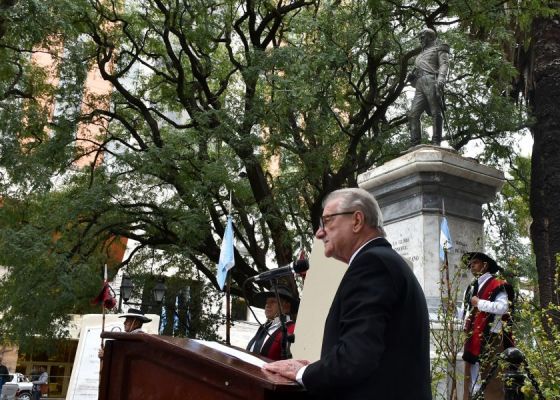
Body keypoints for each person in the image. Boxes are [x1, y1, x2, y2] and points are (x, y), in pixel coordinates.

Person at [263, 188, 432, 400]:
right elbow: (372, 352)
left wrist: (302, 373)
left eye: (327, 221)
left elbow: (356, 358)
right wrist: (318, 367)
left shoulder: (372, 264)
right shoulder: (381, 261)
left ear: (357, 220)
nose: (319, 232)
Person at [462, 252, 514, 400]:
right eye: (470, 264)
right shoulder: (471, 287)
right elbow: (466, 312)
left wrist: (479, 303)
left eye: (475, 262)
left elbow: (503, 308)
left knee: (492, 379)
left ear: (485, 265)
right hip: (471, 337)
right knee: (470, 378)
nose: (471, 266)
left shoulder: (497, 284)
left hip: (491, 336)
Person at [407, 27, 450, 146]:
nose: (421, 39)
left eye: (423, 37)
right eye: (420, 37)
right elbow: (416, 72)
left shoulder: (439, 48)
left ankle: (436, 141)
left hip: (432, 80)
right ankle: (415, 143)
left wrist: (441, 78)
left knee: (435, 111)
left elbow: (444, 64)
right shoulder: (419, 56)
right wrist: (412, 78)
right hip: (419, 83)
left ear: (431, 37)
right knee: (413, 114)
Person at [246, 285, 299, 360]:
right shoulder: (263, 328)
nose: (267, 305)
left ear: (286, 307)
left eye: (273, 302)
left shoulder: (292, 330)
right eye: (267, 302)